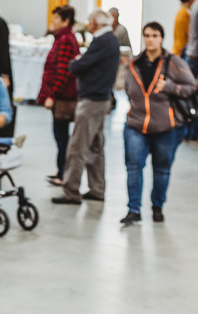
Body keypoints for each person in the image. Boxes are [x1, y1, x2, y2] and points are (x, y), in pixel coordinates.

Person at [119, 21, 195, 226]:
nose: (150, 39)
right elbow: (126, 87)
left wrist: (169, 86)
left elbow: (191, 87)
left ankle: (157, 207)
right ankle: (133, 209)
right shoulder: (134, 64)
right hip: (136, 124)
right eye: (147, 35)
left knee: (162, 169)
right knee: (134, 166)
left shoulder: (173, 62)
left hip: (166, 127)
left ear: (161, 38)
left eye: (154, 35)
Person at [51, 10, 118, 208]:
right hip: (101, 98)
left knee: (77, 147)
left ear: (96, 23)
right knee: (96, 147)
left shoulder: (102, 41)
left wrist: (75, 62)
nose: (87, 24)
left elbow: (78, 66)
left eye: (89, 21)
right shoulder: (109, 40)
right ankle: (97, 189)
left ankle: (71, 190)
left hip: (92, 100)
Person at [36, 6, 79, 185]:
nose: (52, 23)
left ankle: (63, 174)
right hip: (63, 95)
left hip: (63, 97)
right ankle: (61, 172)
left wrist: (52, 95)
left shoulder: (65, 40)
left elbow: (62, 72)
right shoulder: (63, 39)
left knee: (61, 137)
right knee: (61, 136)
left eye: (55, 20)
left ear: (65, 21)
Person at [179, 0, 198, 141]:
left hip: (189, 55)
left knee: (189, 96)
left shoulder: (195, 5)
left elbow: (189, 30)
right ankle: (193, 132)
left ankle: (186, 131)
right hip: (197, 57)